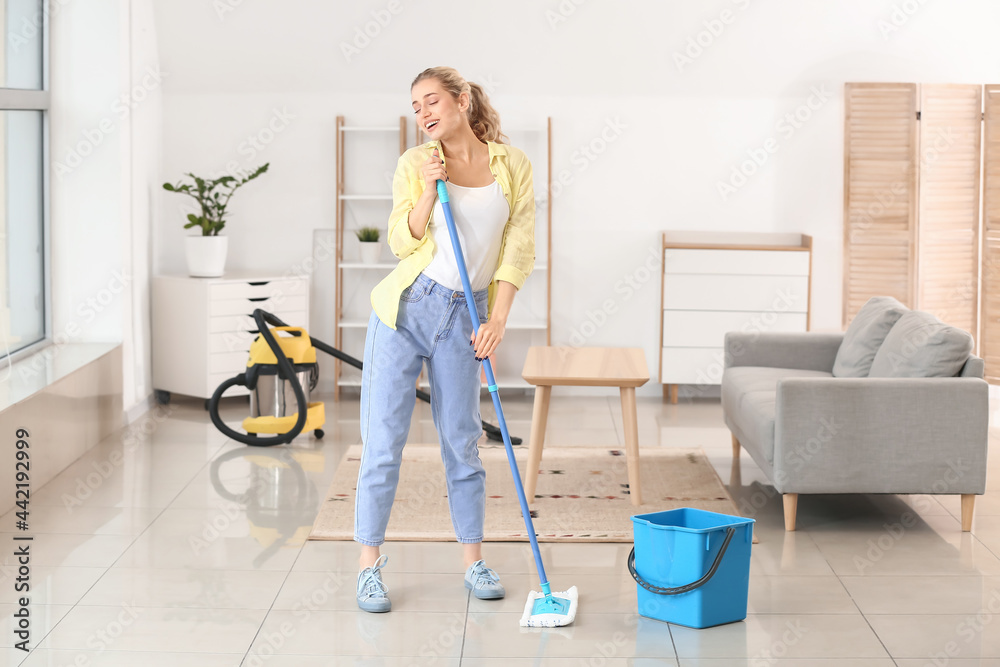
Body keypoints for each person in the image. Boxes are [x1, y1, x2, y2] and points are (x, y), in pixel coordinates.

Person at [354, 66, 535, 612]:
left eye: (431, 100)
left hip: (468, 315)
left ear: (461, 100)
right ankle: (368, 567)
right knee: (383, 445)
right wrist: (430, 191)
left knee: (462, 443)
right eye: (415, 106)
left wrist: (497, 319)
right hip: (407, 309)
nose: (424, 112)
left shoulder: (512, 164)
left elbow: (518, 249)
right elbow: (400, 242)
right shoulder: (416, 163)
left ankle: (473, 561)